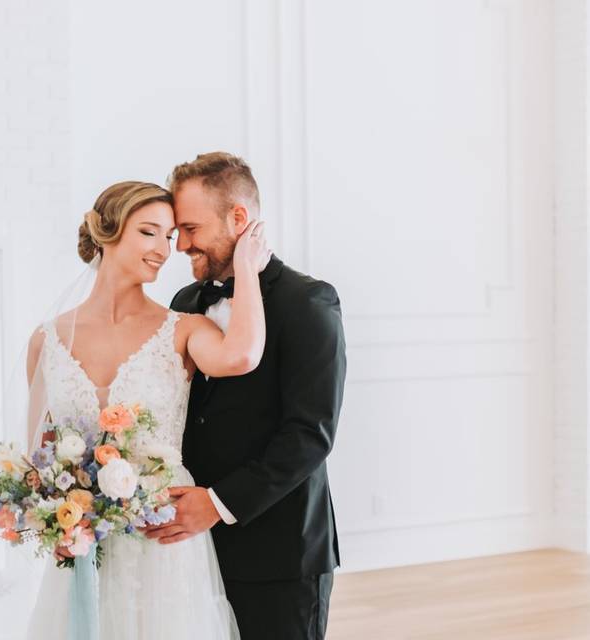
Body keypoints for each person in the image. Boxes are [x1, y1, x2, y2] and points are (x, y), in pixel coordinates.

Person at [24, 180, 270, 639]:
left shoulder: (184, 329)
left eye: (170, 234)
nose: (165, 248)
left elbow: (241, 356)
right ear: (108, 232)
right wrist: (53, 516)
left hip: (163, 532)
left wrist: (247, 269)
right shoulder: (46, 341)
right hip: (84, 538)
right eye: (149, 232)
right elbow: (40, 452)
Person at [146, 152, 347, 640]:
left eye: (191, 229)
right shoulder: (185, 303)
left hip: (280, 549)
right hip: (193, 550)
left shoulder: (309, 301)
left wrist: (217, 503)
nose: (181, 246)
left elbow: (310, 434)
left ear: (239, 218)